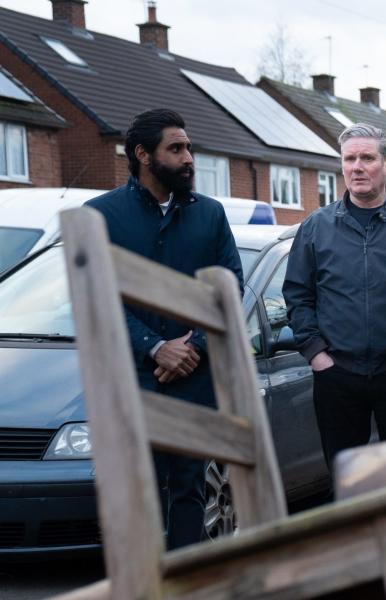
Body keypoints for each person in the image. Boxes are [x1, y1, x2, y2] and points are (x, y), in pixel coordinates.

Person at [86, 108, 242, 549]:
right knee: (140, 495)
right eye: (176, 148)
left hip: (195, 379)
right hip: (134, 380)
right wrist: (155, 347)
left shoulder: (210, 215)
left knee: (191, 490)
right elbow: (98, 297)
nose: (188, 157)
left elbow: (231, 289)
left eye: (188, 147)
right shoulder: (100, 216)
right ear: (142, 154)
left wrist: (192, 347)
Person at [283, 123, 386, 472]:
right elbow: (298, 295)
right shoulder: (315, 228)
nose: (357, 167)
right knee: (346, 482)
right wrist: (316, 356)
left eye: (367, 158)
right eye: (349, 158)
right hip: (337, 376)